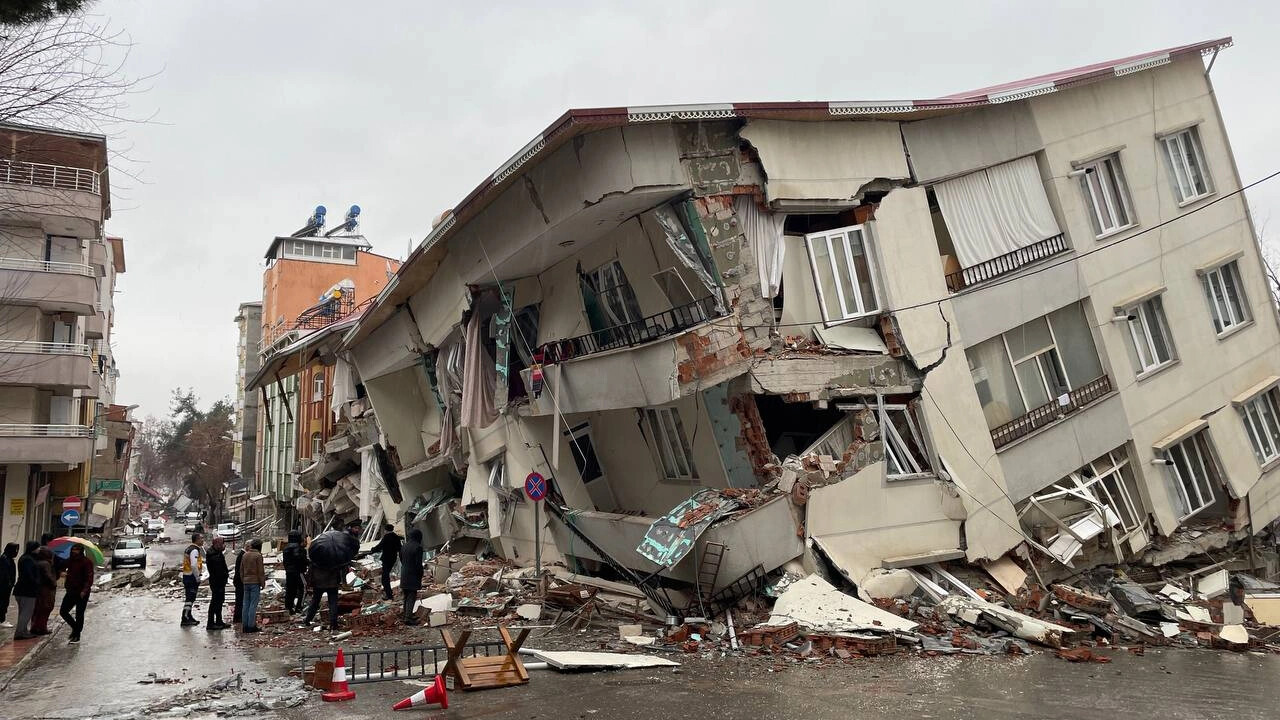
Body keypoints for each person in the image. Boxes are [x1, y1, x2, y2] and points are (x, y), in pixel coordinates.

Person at [59, 544, 93, 643]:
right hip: (71, 590)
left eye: (77, 550)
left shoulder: (86, 562)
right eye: (73, 549)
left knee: (79, 613)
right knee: (63, 611)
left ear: (81, 551)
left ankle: (77, 635)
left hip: (82, 592)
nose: (74, 551)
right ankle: (76, 628)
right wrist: (61, 572)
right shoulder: (69, 560)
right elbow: (61, 567)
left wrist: (84, 590)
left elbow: (89, 578)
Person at [12, 541, 39, 639]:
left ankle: (23, 630)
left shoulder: (25, 558)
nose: (39, 550)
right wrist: (36, 583)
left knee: (23, 612)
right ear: (33, 548)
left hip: (22, 589)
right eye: (37, 548)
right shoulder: (28, 559)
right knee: (26, 612)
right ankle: (20, 633)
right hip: (27, 590)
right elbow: (29, 575)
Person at [240, 539, 265, 633]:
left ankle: (245, 626)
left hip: (246, 582)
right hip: (255, 582)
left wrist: (243, 580)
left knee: (245, 603)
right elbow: (260, 571)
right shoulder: (258, 556)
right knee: (253, 604)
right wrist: (262, 583)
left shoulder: (245, 555)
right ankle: (251, 626)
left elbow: (241, 570)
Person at [371, 524, 401, 601]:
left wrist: (372, 549)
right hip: (393, 559)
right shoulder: (396, 537)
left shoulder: (386, 537)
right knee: (386, 575)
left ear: (386, 530)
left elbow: (379, 546)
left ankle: (389, 595)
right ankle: (388, 592)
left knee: (385, 578)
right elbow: (399, 548)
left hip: (387, 559)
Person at [205, 537, 230, 631]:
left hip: (219, 582)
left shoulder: (217, 553)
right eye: (222, 544)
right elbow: (219, 570)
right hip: (217, 582)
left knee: (219, 602)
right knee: (215, 602)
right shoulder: (214, 555)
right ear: (218, 545)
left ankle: (219, 621)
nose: (224, 546)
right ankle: (211, 623)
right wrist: (224, 577)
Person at [399, 529, 424, 625]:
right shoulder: (418, 547)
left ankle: (406, 614)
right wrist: (420, 573)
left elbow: (401, 558)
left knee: (406, 595)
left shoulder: (404, 546)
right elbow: (418, 564)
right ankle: (408, 618)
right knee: (411, 596)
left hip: (404, 572)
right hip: (413, 574)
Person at [30, 547, 55, 635]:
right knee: (45, 609)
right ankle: (41, 628)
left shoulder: (37, 562)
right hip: (45, 590)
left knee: (37, 609)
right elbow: (48, 576)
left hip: (39, 589)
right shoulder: (45, 564)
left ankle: (35, 626)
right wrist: (54, 583)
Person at [180, 533, 204, 627]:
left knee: (190, 598)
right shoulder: (194, 550)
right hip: (191, 577)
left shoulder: (189, 548)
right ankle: (185, 617)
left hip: (187, 576)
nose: (203, 540)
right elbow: (194, 565)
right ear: (196, 540)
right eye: (201, 538)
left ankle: (189, 616)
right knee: (190, 598)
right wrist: (197, 577)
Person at [282, 530, 308, 614]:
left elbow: (285, 562)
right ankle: (299, 607)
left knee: (290, 590)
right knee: (303, 588)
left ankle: (288, 608)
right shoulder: (299, 548)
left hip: (289, 572)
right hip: (298, 571)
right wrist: (308, 563)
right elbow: (300, 559)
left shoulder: (286, 548)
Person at [0, 543, 17, 629]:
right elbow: (4, 574)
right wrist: (9, 583)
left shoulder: (9, 559)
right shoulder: (4, 559)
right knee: (3, 602)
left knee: (4, 602)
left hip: (7, 586)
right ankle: (2, 620)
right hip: (4, 586)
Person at [232, 545, 245, 624]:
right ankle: (238, 617)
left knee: (239, 599)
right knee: (240, 599)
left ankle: (238, 616)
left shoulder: (241, 554)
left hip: (238, 580)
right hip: (240, 581)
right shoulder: (242, 555)